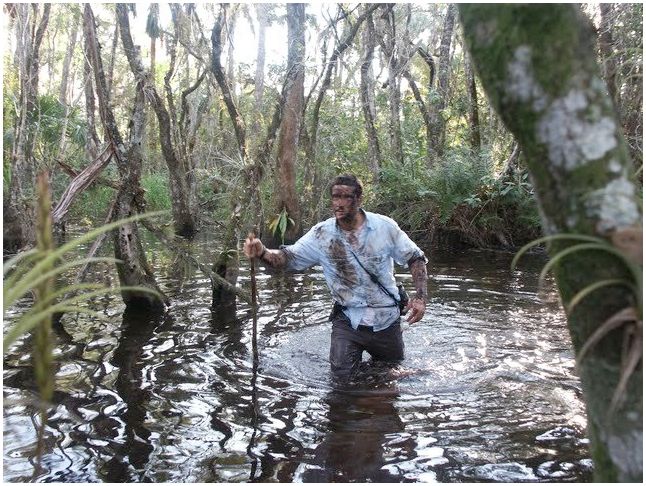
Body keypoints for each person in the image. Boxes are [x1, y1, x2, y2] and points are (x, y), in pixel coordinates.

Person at [243, 174, 428, 380]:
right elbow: (288, 259)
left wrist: (420, 298)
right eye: (334, 197)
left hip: (386, 320)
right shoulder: (322, 234)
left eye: (345, 197)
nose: (338, 204)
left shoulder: (384, 227)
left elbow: (415, 258)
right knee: (341, 380)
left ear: (359, 199)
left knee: (392, 375)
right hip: (347, 320)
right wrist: (262, 252)